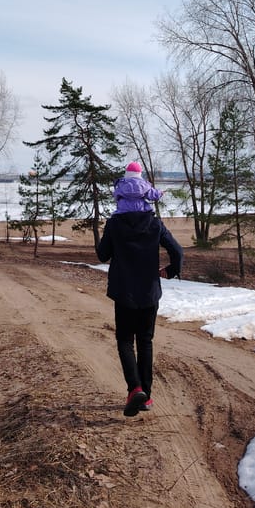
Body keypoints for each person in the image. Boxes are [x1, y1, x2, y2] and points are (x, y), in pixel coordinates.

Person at [96, 162, 183, 417]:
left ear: (121, 193)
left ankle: (135, 389)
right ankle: (145, 396)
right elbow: (177, 251)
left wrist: (104, 237)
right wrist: (171, 270)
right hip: (148, 292)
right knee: (145, 341)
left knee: (125, 340)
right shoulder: (154, 224)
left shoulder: (114, 224)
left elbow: (103, 255)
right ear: (146, 192)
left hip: (124, 292)